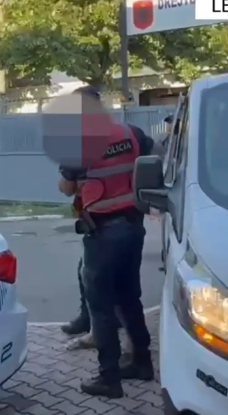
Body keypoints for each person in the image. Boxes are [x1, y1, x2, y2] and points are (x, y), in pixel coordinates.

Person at [57, 86, 156, 398]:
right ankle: (142, 363)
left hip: (102, 233)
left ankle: (109, 378)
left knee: (100, 307)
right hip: (134, 227)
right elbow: (155, 162)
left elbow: (67, 187)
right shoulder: (132, 132)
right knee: (129, 298)